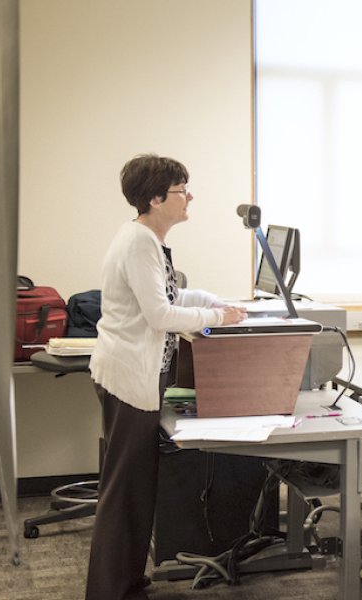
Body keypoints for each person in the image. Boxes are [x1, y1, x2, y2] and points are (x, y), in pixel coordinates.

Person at [86, 155, 246, 600]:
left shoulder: (147, 240)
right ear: (156, 199)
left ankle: (128, 583)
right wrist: (216, 315)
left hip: (135, 376)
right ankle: (110, 591)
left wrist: (218, 302)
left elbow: (168, 293)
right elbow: (160, 314)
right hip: (126, 378)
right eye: (181, 190)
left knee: (136, 488)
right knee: (124, 490)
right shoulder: (139, 242)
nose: (189, 197)